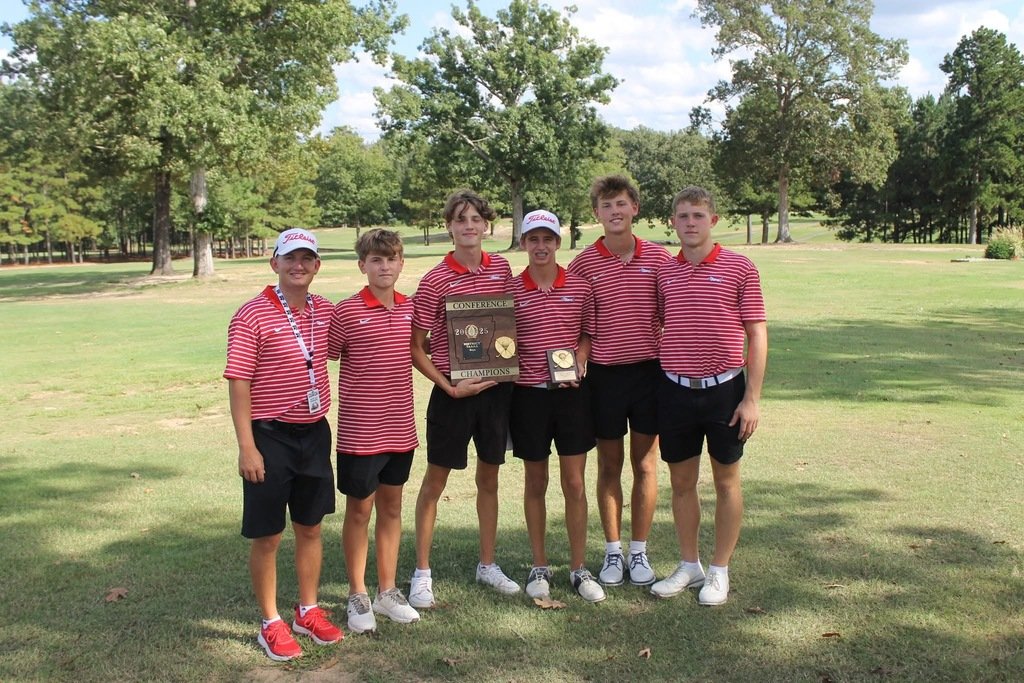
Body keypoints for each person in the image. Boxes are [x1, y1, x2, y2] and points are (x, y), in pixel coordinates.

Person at [225, 228, 343, 662]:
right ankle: (270, 621)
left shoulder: (326, 311)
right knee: (268, 535)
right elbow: (239, 383)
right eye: (290, 258)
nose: (299, 266)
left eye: (307, 259)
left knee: (311, 526)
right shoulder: (251, 315)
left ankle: (307, 610)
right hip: (269, 436)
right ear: (274, 263)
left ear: (317, 266)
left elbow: (356, 342)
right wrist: (247, 447)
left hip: (313, 433)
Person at [650, 186, 767, 605]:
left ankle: (719, 570)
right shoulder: (665, 271)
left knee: (726, 481)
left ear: (713, 220)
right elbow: (661, 323)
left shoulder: (740, 268)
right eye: (682, 216)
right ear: (673, 222)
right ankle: (689, 565)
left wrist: (751, 398)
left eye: (698, 215)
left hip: (725, 391)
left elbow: (756, 332)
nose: (690, 223)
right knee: (682, 483)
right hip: (675, 390)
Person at [407, 189, 520, 609]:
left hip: (495, 393)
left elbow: (506, 329)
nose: (469, 226)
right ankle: (422, 574)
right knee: (435, 482)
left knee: (489, 479)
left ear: (486, 225)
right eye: (460, 219)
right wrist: (448, 386)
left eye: (476, 218)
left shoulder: (503, 268)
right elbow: (417, 346)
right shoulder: (435, 278)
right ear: (449, 226)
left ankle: (487, 564)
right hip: (453, 394)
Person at [567, 175, 672, 588]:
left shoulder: (660, 259)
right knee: (609, 465)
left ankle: (639, 550)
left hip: (648, 374)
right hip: (604, 377)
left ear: (635, 209)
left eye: (621, 204)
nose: (614, 211)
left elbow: (673, 313)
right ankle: (613, 552)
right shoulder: (584, 263)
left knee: (645, 463)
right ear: (597, 214)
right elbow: (572, 322)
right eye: (606, 205)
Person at [328, 229, 420, 633]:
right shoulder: (345, 312)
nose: (385, 267)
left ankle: (387, 591)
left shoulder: (412, 308)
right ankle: (357, 593)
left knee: (393, 508)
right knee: (360, 510)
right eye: (376, 260)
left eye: (392, 259)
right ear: (362, 265)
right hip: (360, 432)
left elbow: (429, 349)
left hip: (400, 429)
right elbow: (319, 357)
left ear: (402, 263)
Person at [510, 210, 604, 604]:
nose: (541, 246)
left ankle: (579, 567)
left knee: (575, 483)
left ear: (558, 243)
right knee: (536, 482)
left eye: (548, 238)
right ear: (524, 243)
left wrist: (580, 360)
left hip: (571, 395)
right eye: (533, 239)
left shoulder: (580, 288)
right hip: (527, 395)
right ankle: (539, 565)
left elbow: (587, 333)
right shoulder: (510, 291)